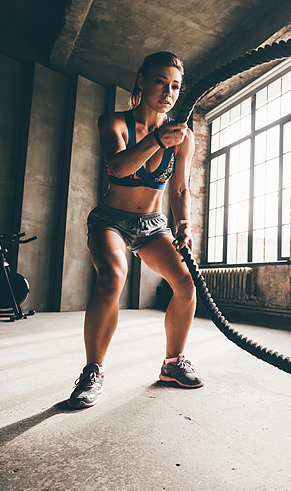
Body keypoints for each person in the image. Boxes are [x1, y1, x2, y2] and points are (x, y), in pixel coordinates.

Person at [68, 51, 201, 409]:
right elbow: (119, 167)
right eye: (160, 81)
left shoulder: (183, 137)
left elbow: (180, 188)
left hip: (154, 225)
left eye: (175, 86)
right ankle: (92, 372)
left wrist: (184, 222)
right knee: (112, 278)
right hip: (111, 219)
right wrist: (158, 140)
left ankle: (173, 364)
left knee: (186, 284)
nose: (168, 91)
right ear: (142, 80)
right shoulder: (112, 122)